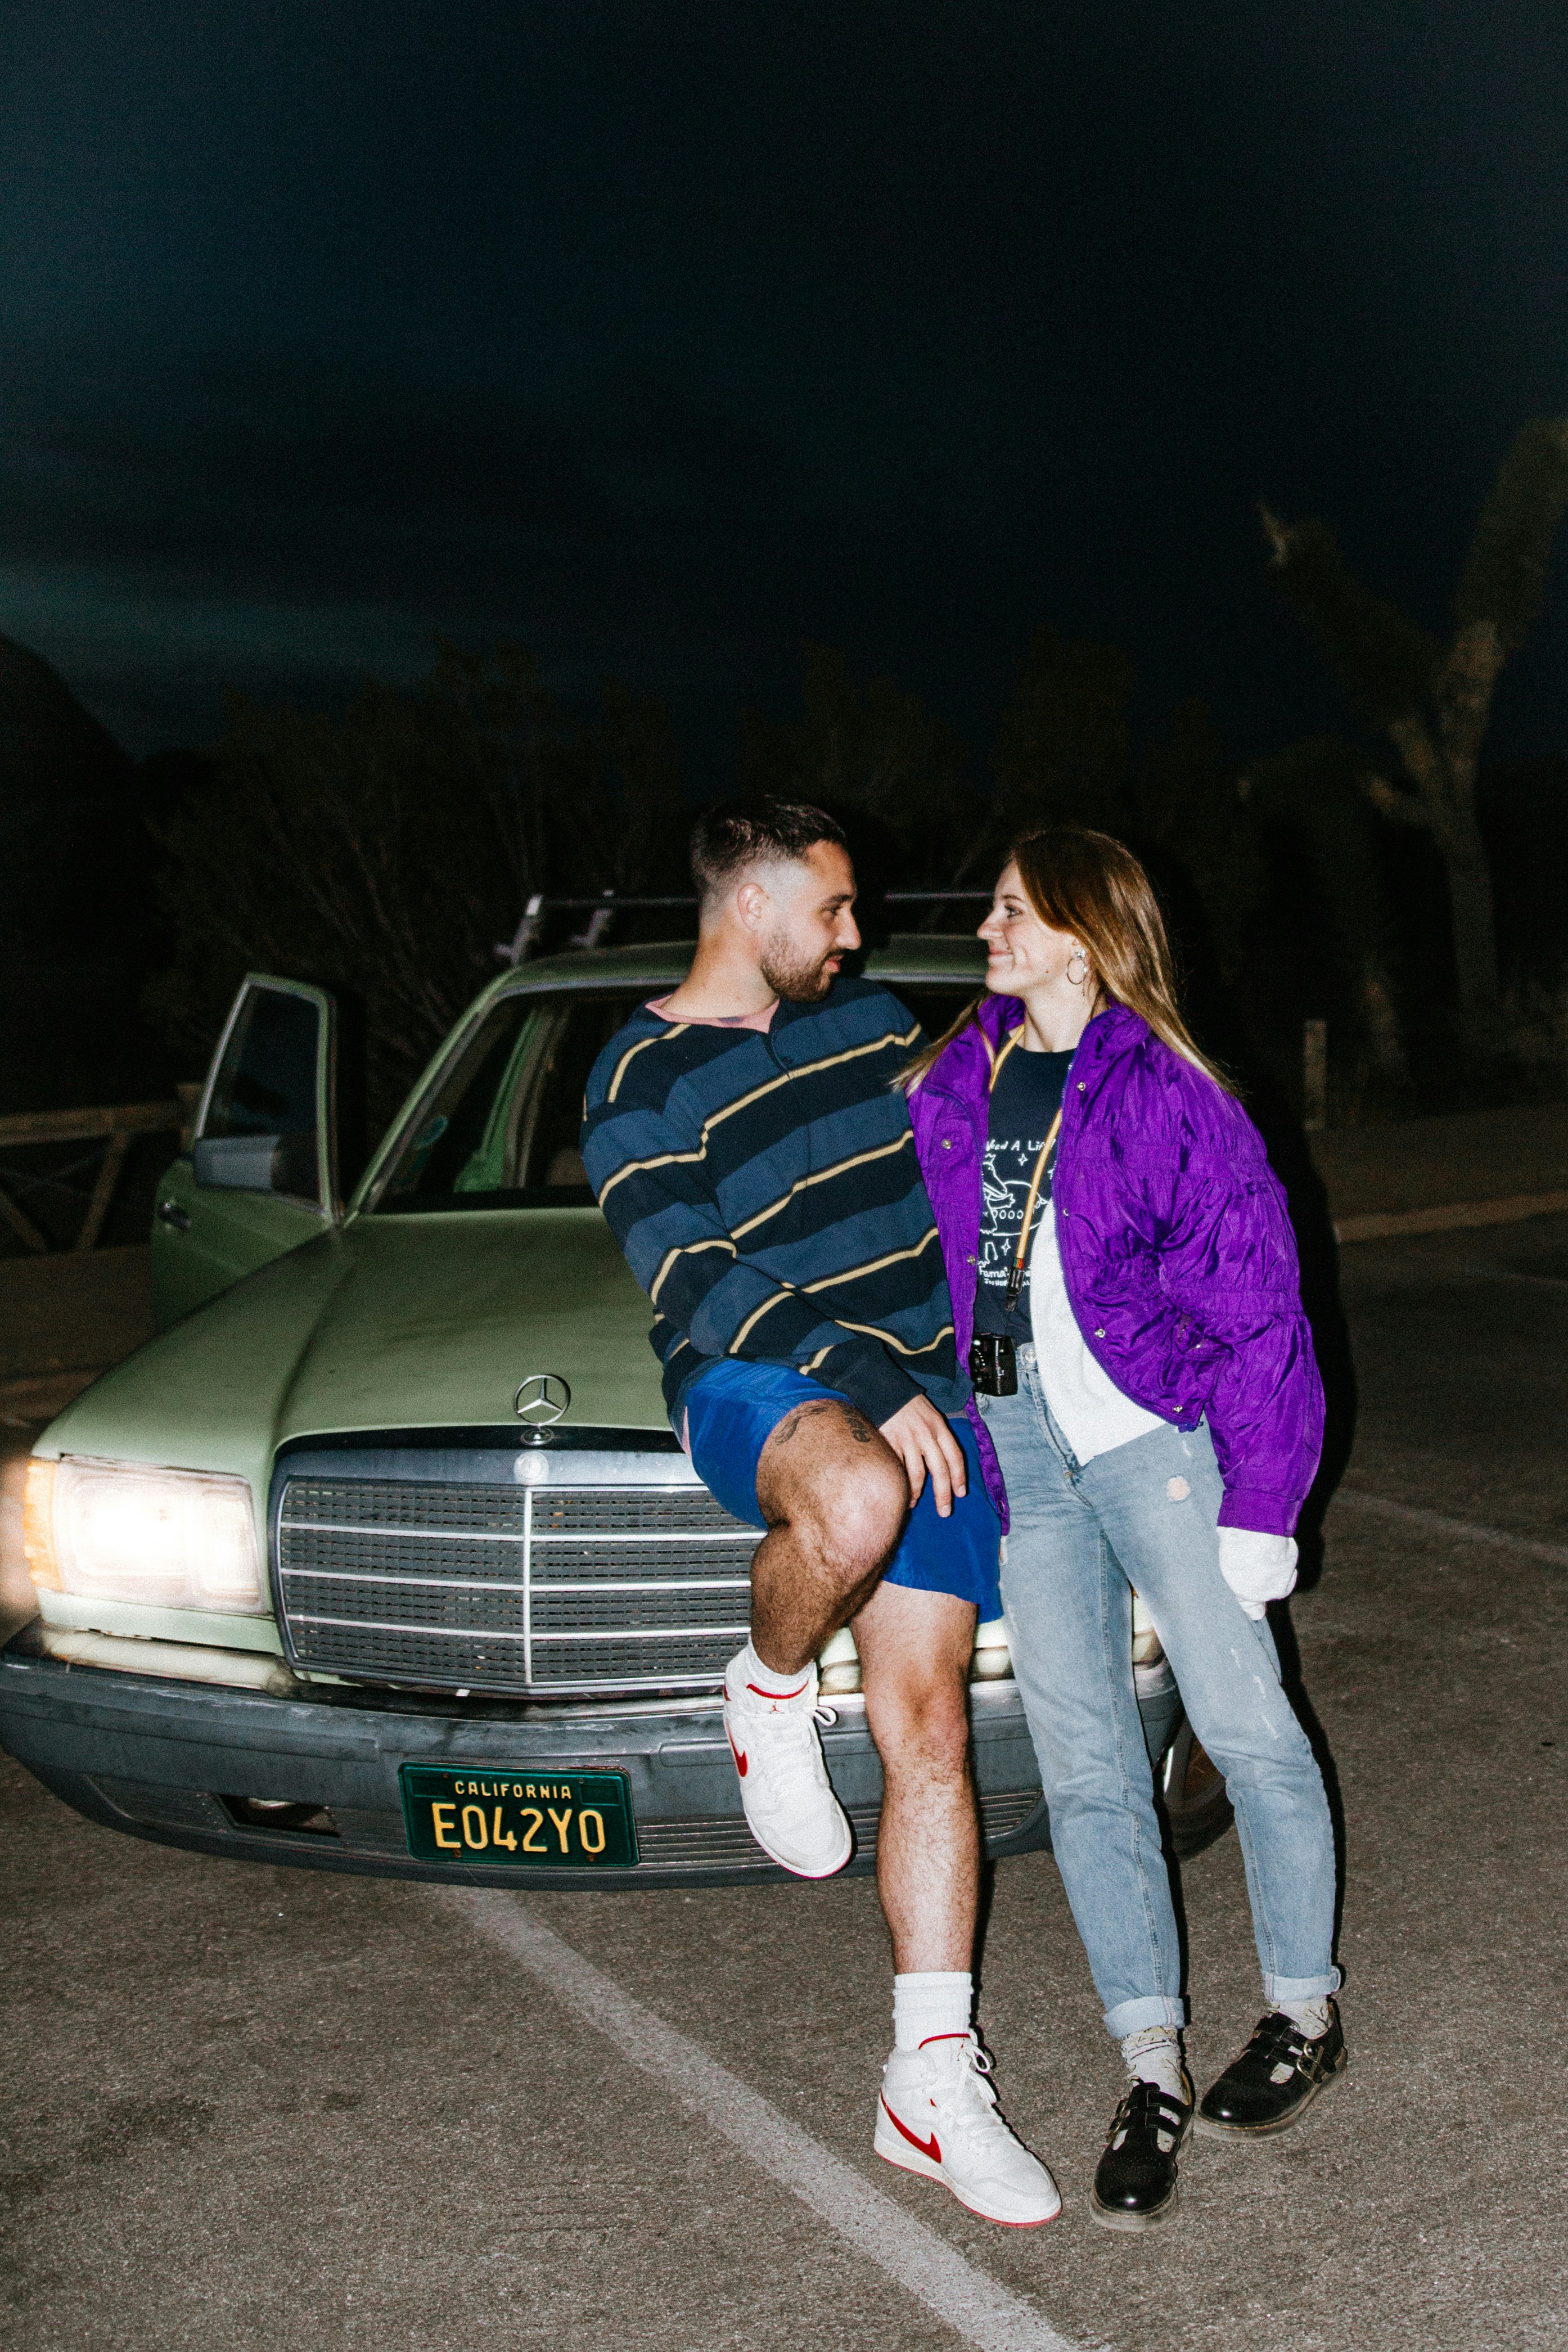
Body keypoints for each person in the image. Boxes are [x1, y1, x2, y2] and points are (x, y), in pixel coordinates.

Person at [582, 796, 1060, 2230]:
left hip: (929, 1392)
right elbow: (695, 1278)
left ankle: (930, 2080)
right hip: (760, 1383)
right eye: (835, 910)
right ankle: (767, 1683)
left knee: (929, 1732)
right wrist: (861, 1373)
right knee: (853, 1495)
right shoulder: (637, 1074)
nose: (855, 937)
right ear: (753, 908)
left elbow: (993, 1120)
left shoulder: (866, 1032)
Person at [904, 823, 1344, 2232]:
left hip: (1155, 1445)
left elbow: (1259, 1312)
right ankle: (1145, 2063)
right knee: (1086, 1768)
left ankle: (1299, 2013)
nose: (989, 928)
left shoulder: (1172, 1095)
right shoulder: (952, 1077)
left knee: (1248, 1728)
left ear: (1088, 936)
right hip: (1020, 1449)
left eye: (1014, 911)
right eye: (991, 909)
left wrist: (1259, 1503)